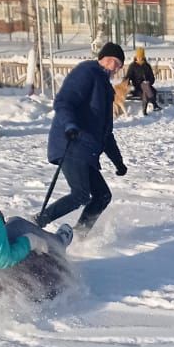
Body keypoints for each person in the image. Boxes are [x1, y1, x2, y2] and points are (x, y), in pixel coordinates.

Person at [35, 43, 128, 236]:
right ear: (104, 58)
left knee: (102, 195)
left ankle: (79, 235)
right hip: (71, 143)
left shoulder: (106, 90)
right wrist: (70, 125)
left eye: (118, 64)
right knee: (80, 194)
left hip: (88, 151)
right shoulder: (87, 72)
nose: (115, 67)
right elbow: (64, 102)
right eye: (113, 61)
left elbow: (106, 133)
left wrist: (118, 162)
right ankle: (37, 221)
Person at [126, 47, 161, 114]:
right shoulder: (132, 66)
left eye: (141, 57)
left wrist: (149, 82)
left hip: (147, 85)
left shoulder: (147, 66)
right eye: (138, 57)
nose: (140, 58)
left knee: (146, 88)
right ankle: (154, 105)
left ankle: (144, 110)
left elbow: (152, 78)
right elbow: (128, 77)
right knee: (145, 91)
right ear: (136, 56)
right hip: (137, 87)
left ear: (143, 56)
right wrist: (126, 85)